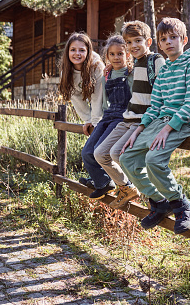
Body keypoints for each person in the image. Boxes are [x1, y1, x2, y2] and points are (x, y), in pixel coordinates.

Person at [119, 17, 190, 234]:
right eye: (164, 39)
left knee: (153, 159)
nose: (169, 42)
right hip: (160, 121)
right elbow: (156, 105)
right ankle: (160, 202)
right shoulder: (165, 71)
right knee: (126, 157)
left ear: (184, 40)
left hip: (183, 121)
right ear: (158, 44)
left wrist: (169, 128)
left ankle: (181, 203)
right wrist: (139, 129)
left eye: (174, 37)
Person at [94, 20, 165, 208]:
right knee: (100, 153)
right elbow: (121, 70)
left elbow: (165, 90)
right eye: (130, 42)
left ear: (148, 42)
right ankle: (126, 187)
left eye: (138, 41)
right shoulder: (135, 62)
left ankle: (155, 196)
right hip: (127, 117)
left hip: (143, 119)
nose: (134, 46)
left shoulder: (155, 60)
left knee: (119, 154)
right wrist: (111, 67)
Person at [82, 34, 134, 200]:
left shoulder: (131, 74)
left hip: (122, 117)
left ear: (128, 54)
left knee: (101, 151)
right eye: (112, 54)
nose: (116, 57)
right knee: (87, 152)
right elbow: (104, 101)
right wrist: (97, 121)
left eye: (120, 53)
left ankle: (121, 184)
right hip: (108, 116)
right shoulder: (107, 75)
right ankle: (103, 183)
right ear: (107, 56)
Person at [58, 32, 106, 193]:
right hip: (94, 113)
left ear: (88, 51)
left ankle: (103, 180)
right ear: (67, 52)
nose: (77, 54)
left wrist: (96, 121)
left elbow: (99, 95)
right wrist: (87, 120)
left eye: (81, 50)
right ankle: (100, 179)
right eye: (73, 50)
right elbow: (76, 98)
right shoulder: (66, 70)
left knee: (94, 149)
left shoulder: (96, 66)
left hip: (108, 107)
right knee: (92, 149)